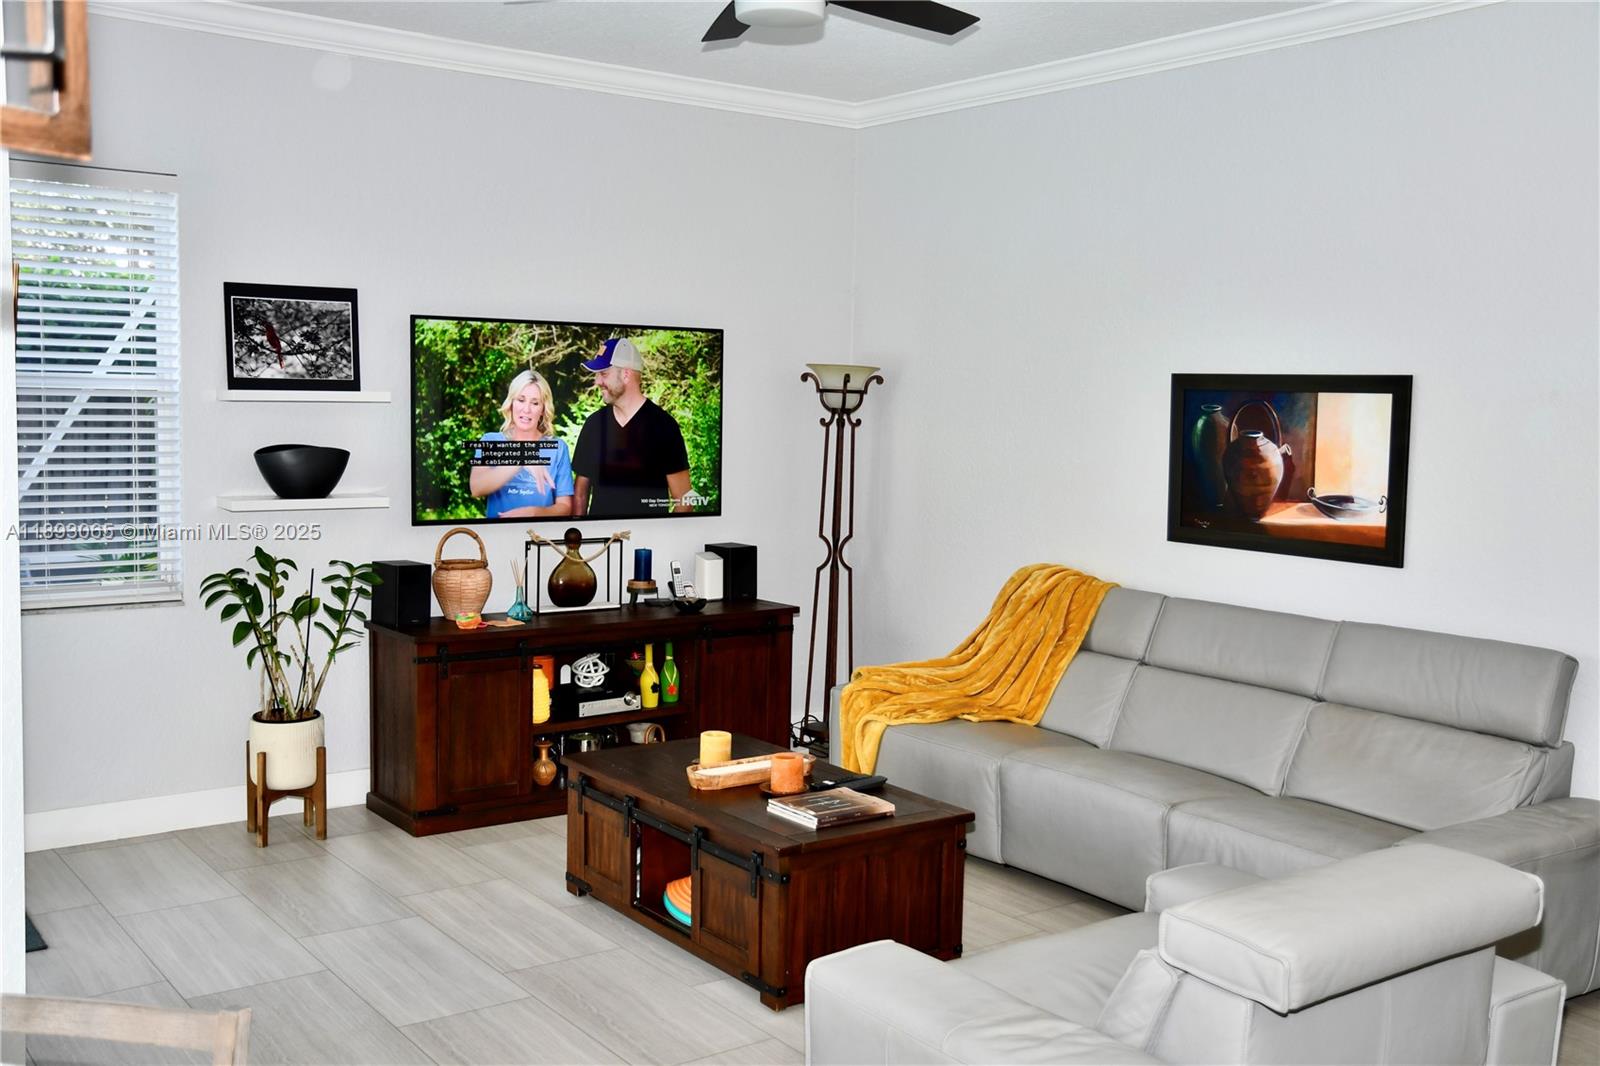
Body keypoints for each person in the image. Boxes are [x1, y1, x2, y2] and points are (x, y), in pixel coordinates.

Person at [572, 337, 692, 516]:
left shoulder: (664, 427)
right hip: (602, 542)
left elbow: (685, 501)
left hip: (648, 542)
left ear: (626, 374)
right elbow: (580, 496)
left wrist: (663, 537)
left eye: (603, 374)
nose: (597, 382)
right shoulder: (593, 425)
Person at [470, 369, 574, 518]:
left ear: (543, 410)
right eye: (521, 400)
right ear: (511, 403)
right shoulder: (491, 441)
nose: (526, 409)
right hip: (498, 537)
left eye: (535, 403)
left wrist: (533, 513)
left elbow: (565, 507)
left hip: (540, 537)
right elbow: (477, 488)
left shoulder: (558, 447)